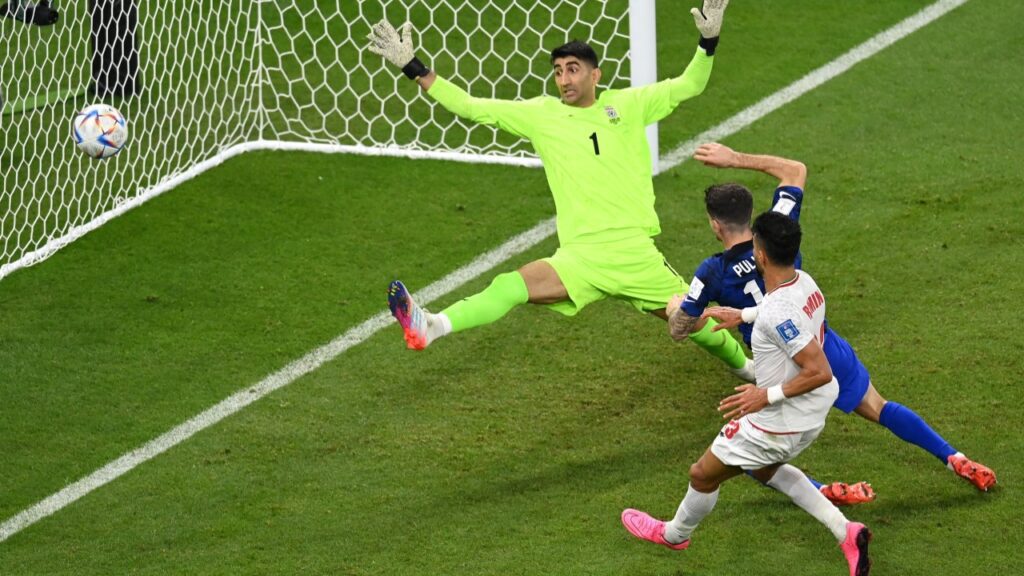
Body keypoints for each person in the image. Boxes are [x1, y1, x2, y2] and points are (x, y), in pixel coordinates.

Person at [366, 1, 755, 381]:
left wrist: (708, 42)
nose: (565, 80)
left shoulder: (629, 104)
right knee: (510, 285)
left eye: (573, 70)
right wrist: (412, 67)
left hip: (634, 254)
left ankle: (749, 369)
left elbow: (691, 83)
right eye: (557, 72)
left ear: (595, 75)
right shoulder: (541, 115)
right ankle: (433, 325)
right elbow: (471, 106)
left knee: (695, 322)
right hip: (580, 257)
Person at [673, 142, 996, 493]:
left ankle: (823, 491)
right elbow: (795, 169)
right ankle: (955, 458)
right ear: (749, 213)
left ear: (715, 224)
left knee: (746, 455)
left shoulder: (712, 272)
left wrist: (680, 307)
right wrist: (736, 159)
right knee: (878, 406)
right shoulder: (778, 229)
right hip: (819, 342)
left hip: (778, 368)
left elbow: (680, 328)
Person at [623, 211, 872, 576]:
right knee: (763, 470)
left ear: (761, 255)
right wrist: (746, 315)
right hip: (812, 413)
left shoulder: (777, 312)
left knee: (702, 474)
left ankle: (674, 535)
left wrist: (763, 396)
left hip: (778, 420)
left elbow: (819, 370)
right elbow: (782, 317)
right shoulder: (805, 282)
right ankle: (846, 531)